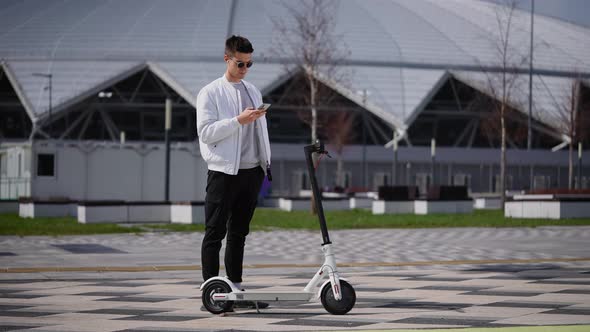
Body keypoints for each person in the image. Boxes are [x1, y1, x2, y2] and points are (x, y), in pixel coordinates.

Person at [196, 35, 271, 309]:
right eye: (240, 63)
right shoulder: (210, 92)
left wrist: (265, 162)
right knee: (214, 232)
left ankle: (235, 291)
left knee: (239, 232)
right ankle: (212, 294)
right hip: (224, 172)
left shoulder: (253, 90)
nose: (244, 69)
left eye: (249, 64)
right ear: (227, 59)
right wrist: (238, 120)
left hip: (252, 172)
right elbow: (205, 133)